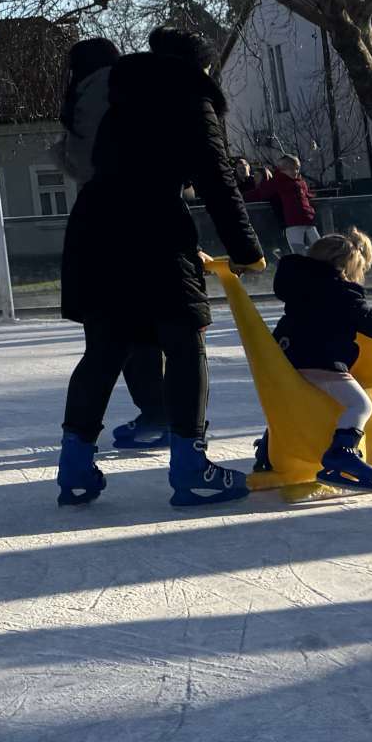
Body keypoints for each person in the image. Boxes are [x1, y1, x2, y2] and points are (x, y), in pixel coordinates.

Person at [56, 27, 267, 509]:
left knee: (104, 349)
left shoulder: (121, 96)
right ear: (199, 66)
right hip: (153, 229)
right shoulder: (190, 95)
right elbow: (217, 180)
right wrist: (246, 250)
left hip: (93, 229)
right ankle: (191, 470)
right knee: (185, 343)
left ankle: (74, 469)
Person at [54, 37, 168, 450]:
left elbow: (78, 163)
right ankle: (161, 414)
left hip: (94, 224)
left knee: (106, 340)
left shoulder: (80, 97)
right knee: (142, 331)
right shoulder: (123, 88)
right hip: (132, 219)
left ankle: (80, 446)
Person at [274, 229, 372, 491]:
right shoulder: (342, 293)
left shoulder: (298, 284)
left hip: (286, 357)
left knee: (295, 406)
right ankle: (341, 455)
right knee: (361, 405)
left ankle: (267, 453)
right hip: (319, 360)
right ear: (348, 266)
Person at [246, 153, 322, 255]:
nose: (295, 171)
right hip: (293, 221)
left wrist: (313, 199)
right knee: (299, 250)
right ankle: (303, 262)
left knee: (319, 247)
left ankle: (321, 261)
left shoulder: (300, 182)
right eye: (291, 169)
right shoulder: (278, 181)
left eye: (297, 168)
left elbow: (306, 195)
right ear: (282, 170)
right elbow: (261, 192)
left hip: (308, 219)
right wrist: (242, 197)